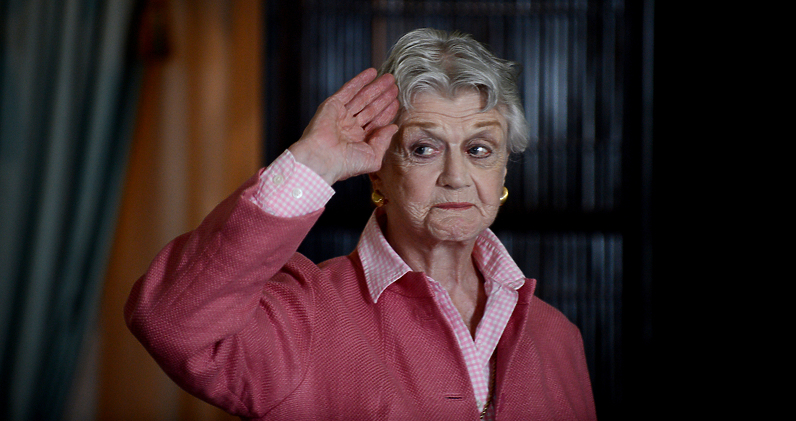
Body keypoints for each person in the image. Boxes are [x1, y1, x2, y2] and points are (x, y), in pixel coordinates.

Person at [125, 28, 596, 420]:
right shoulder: (305, 316)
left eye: (478, 150)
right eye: (423, 149)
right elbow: (170, 321)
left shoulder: (556, 335)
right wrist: (312, 164)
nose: (456, 178)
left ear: (503, 169)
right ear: (378, 169)